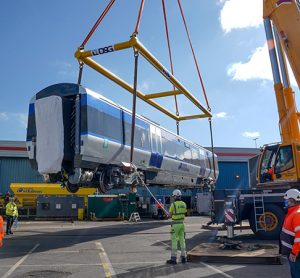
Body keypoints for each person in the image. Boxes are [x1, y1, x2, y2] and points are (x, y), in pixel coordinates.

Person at [280, 189, 300, 277]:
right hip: (292, 251)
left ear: (292, 201)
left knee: (296, 274)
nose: (285, 202)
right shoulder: (292, 212)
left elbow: (299, 237)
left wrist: (294, 252)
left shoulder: (297, 214)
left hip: (295, 253)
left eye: (286, 200)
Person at [166, 189, 187, 265]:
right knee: (182, 240)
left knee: (174, 241)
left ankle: (173, 259)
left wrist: (168, 215)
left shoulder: (173, 205)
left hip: (175, 225)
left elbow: (170, 215)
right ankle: (184, 257)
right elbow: (184, 213)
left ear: (175, 196)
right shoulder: (184, 204)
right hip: (182, 224)